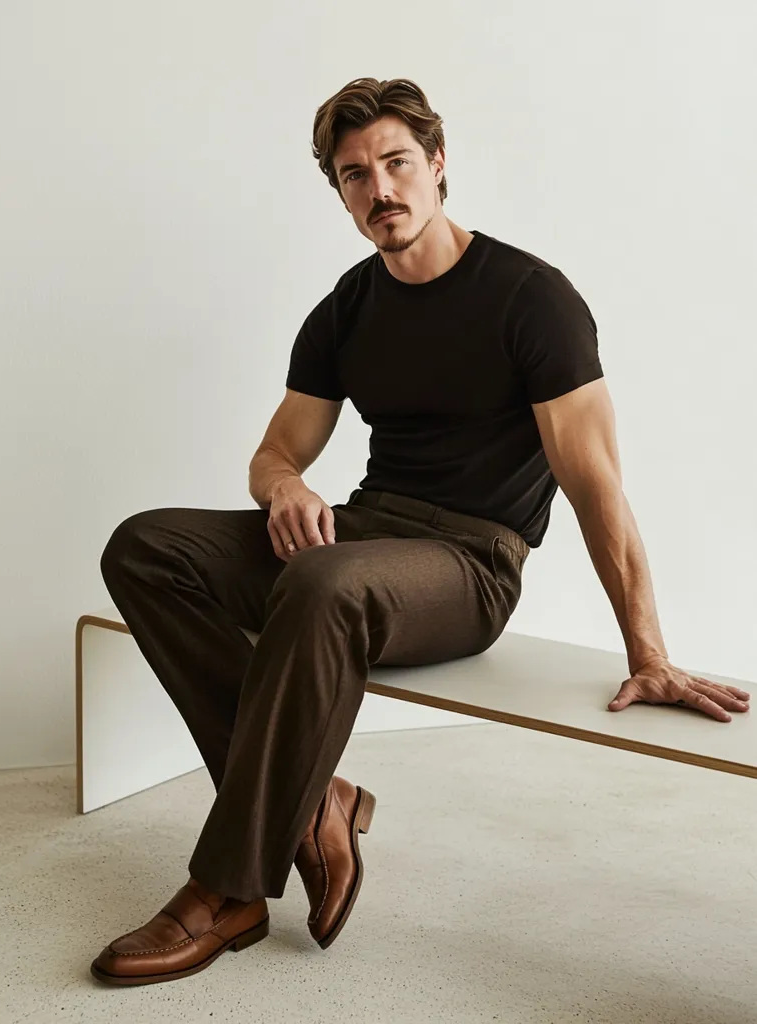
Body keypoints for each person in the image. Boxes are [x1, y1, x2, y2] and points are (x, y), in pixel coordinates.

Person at [90, 76, 750, 987]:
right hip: (368, 534)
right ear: (341, 192)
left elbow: (598, 488)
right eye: (355, 175)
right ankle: (315, 801)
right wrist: (283, 486)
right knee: (145, 547)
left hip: (469, 564)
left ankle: (227, 888)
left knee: (322, 584)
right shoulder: (351, 305)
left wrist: (649, 648)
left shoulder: (531, 298)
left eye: (398, 163)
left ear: (438, 167)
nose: (380, 189)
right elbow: (278, 448)